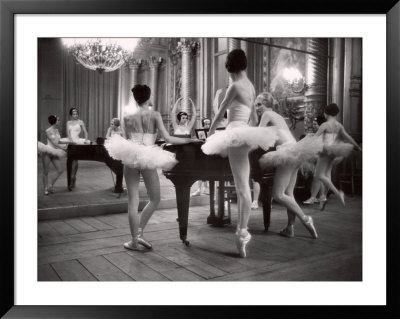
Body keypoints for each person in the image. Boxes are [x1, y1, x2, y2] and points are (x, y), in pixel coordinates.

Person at [201, 50, 278, 257]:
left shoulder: (234, 86)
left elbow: (219, 114)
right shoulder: (251, 87)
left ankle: (242, 233)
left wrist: (209, 135)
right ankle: (242, 230)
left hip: (234, 134)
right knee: (244, 186)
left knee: (242, 187)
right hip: (243, 133)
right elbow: (253, 119)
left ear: (230, 67)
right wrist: (244, 131)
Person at [105, 84, 194, 251]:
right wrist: (188, 140)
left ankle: (134, 239)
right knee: (155, 198)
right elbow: (168, 137)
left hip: (131, 155)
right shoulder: (154, 114)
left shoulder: (126, 116)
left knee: (133, 200)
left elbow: (126, 139)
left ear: (135, 98)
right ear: (149, 96)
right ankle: (138, 233)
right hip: (147, 155)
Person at [257, 92, 322, 239]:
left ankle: (305, 218)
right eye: (256, 105)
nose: (257, 108)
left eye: (259, 104)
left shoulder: (266, 114)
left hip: (287, 152)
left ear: (267, 104)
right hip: (296, 150)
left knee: (278, 194)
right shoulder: (278, 116)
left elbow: (259, 136)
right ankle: (290, 227)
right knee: (289, 193)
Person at [311, 103, 362, 210]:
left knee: (318, 174)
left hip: (325, 150)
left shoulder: (324, 125)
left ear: (326, 113)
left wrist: (306, 145)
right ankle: (323, 197)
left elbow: (315, 138)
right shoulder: (339, 125)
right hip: (334, 151)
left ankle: (338, 193)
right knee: (327, 174)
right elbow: (348, 137)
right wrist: (357, 147)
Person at [38, 115, 69, 195]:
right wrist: (64, 148)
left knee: (60, 170)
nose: (59, 121)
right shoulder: (48, 130)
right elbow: (54, 143)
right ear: (54, 121)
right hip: (47, 151)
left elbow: (59, 141)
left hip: (55, 151)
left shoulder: (56, 130)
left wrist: (68, 142)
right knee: (46, 171)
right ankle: (45, 188)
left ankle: (50, 185)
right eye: (58, 120)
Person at [65, 107, 89, 191]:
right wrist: (71, 140)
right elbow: (68, 133)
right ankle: (72, 177)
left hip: (78, 141)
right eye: (74, 113)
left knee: (75, 160)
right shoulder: (68, 122)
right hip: (71, 141)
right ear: (71, 115)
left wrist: (86, 139)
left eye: (76, 113)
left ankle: (73, 177)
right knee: (71, 160)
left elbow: (85, 132)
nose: (76, 115)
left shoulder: (80, 122)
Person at [191, 117, 211, 197]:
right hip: (202, 153)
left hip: (210, 153)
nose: (207, 125)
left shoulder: (212, 131)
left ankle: (206, 188)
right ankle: (199, 189)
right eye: (205, 124)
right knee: (200, 170)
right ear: (203, 124)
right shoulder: (200, 132)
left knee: (209, 171)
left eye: (208, 124)